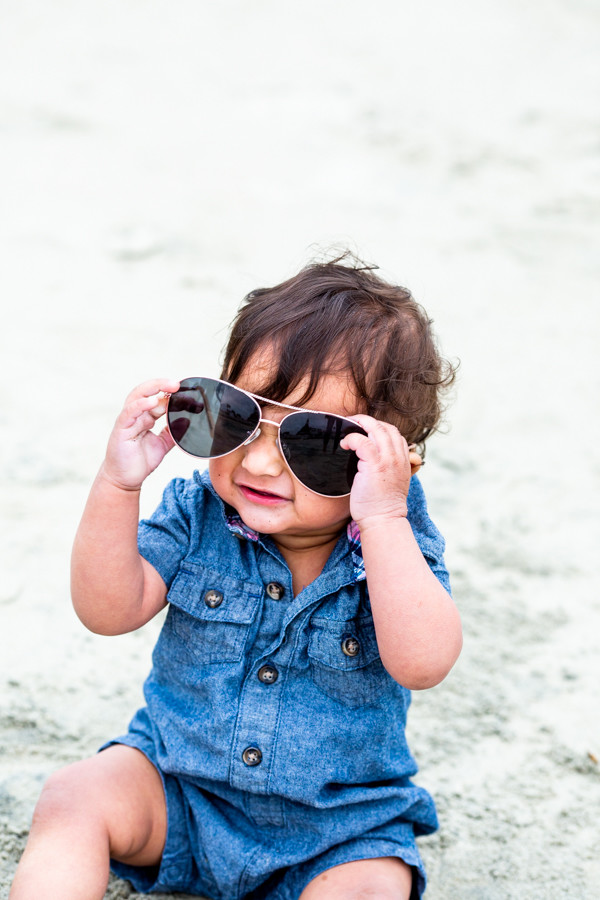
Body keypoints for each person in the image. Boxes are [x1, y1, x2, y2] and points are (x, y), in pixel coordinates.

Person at [11, 255, 462, 900]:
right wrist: (119, 484)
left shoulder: (397, 540)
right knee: (73, 795)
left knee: (370, 889)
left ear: (391, 463)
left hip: (338, 829)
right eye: (237, 415)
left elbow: (424, 661)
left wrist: (385, 519)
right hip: (178, 788)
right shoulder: (197, 511)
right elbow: (107, 611)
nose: (258, 460)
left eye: (312, 441)